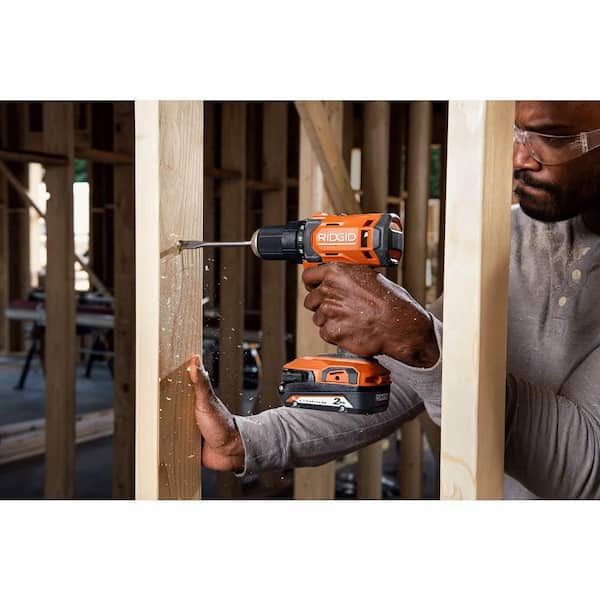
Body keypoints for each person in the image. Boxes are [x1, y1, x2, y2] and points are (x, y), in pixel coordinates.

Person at [187, 101, 600, 499]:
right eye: (518, 133)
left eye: (552, 137)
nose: (518, 158)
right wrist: (246, 441)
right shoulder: (511, 232)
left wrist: (419, 343)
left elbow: (585, 470)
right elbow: (413, 380)